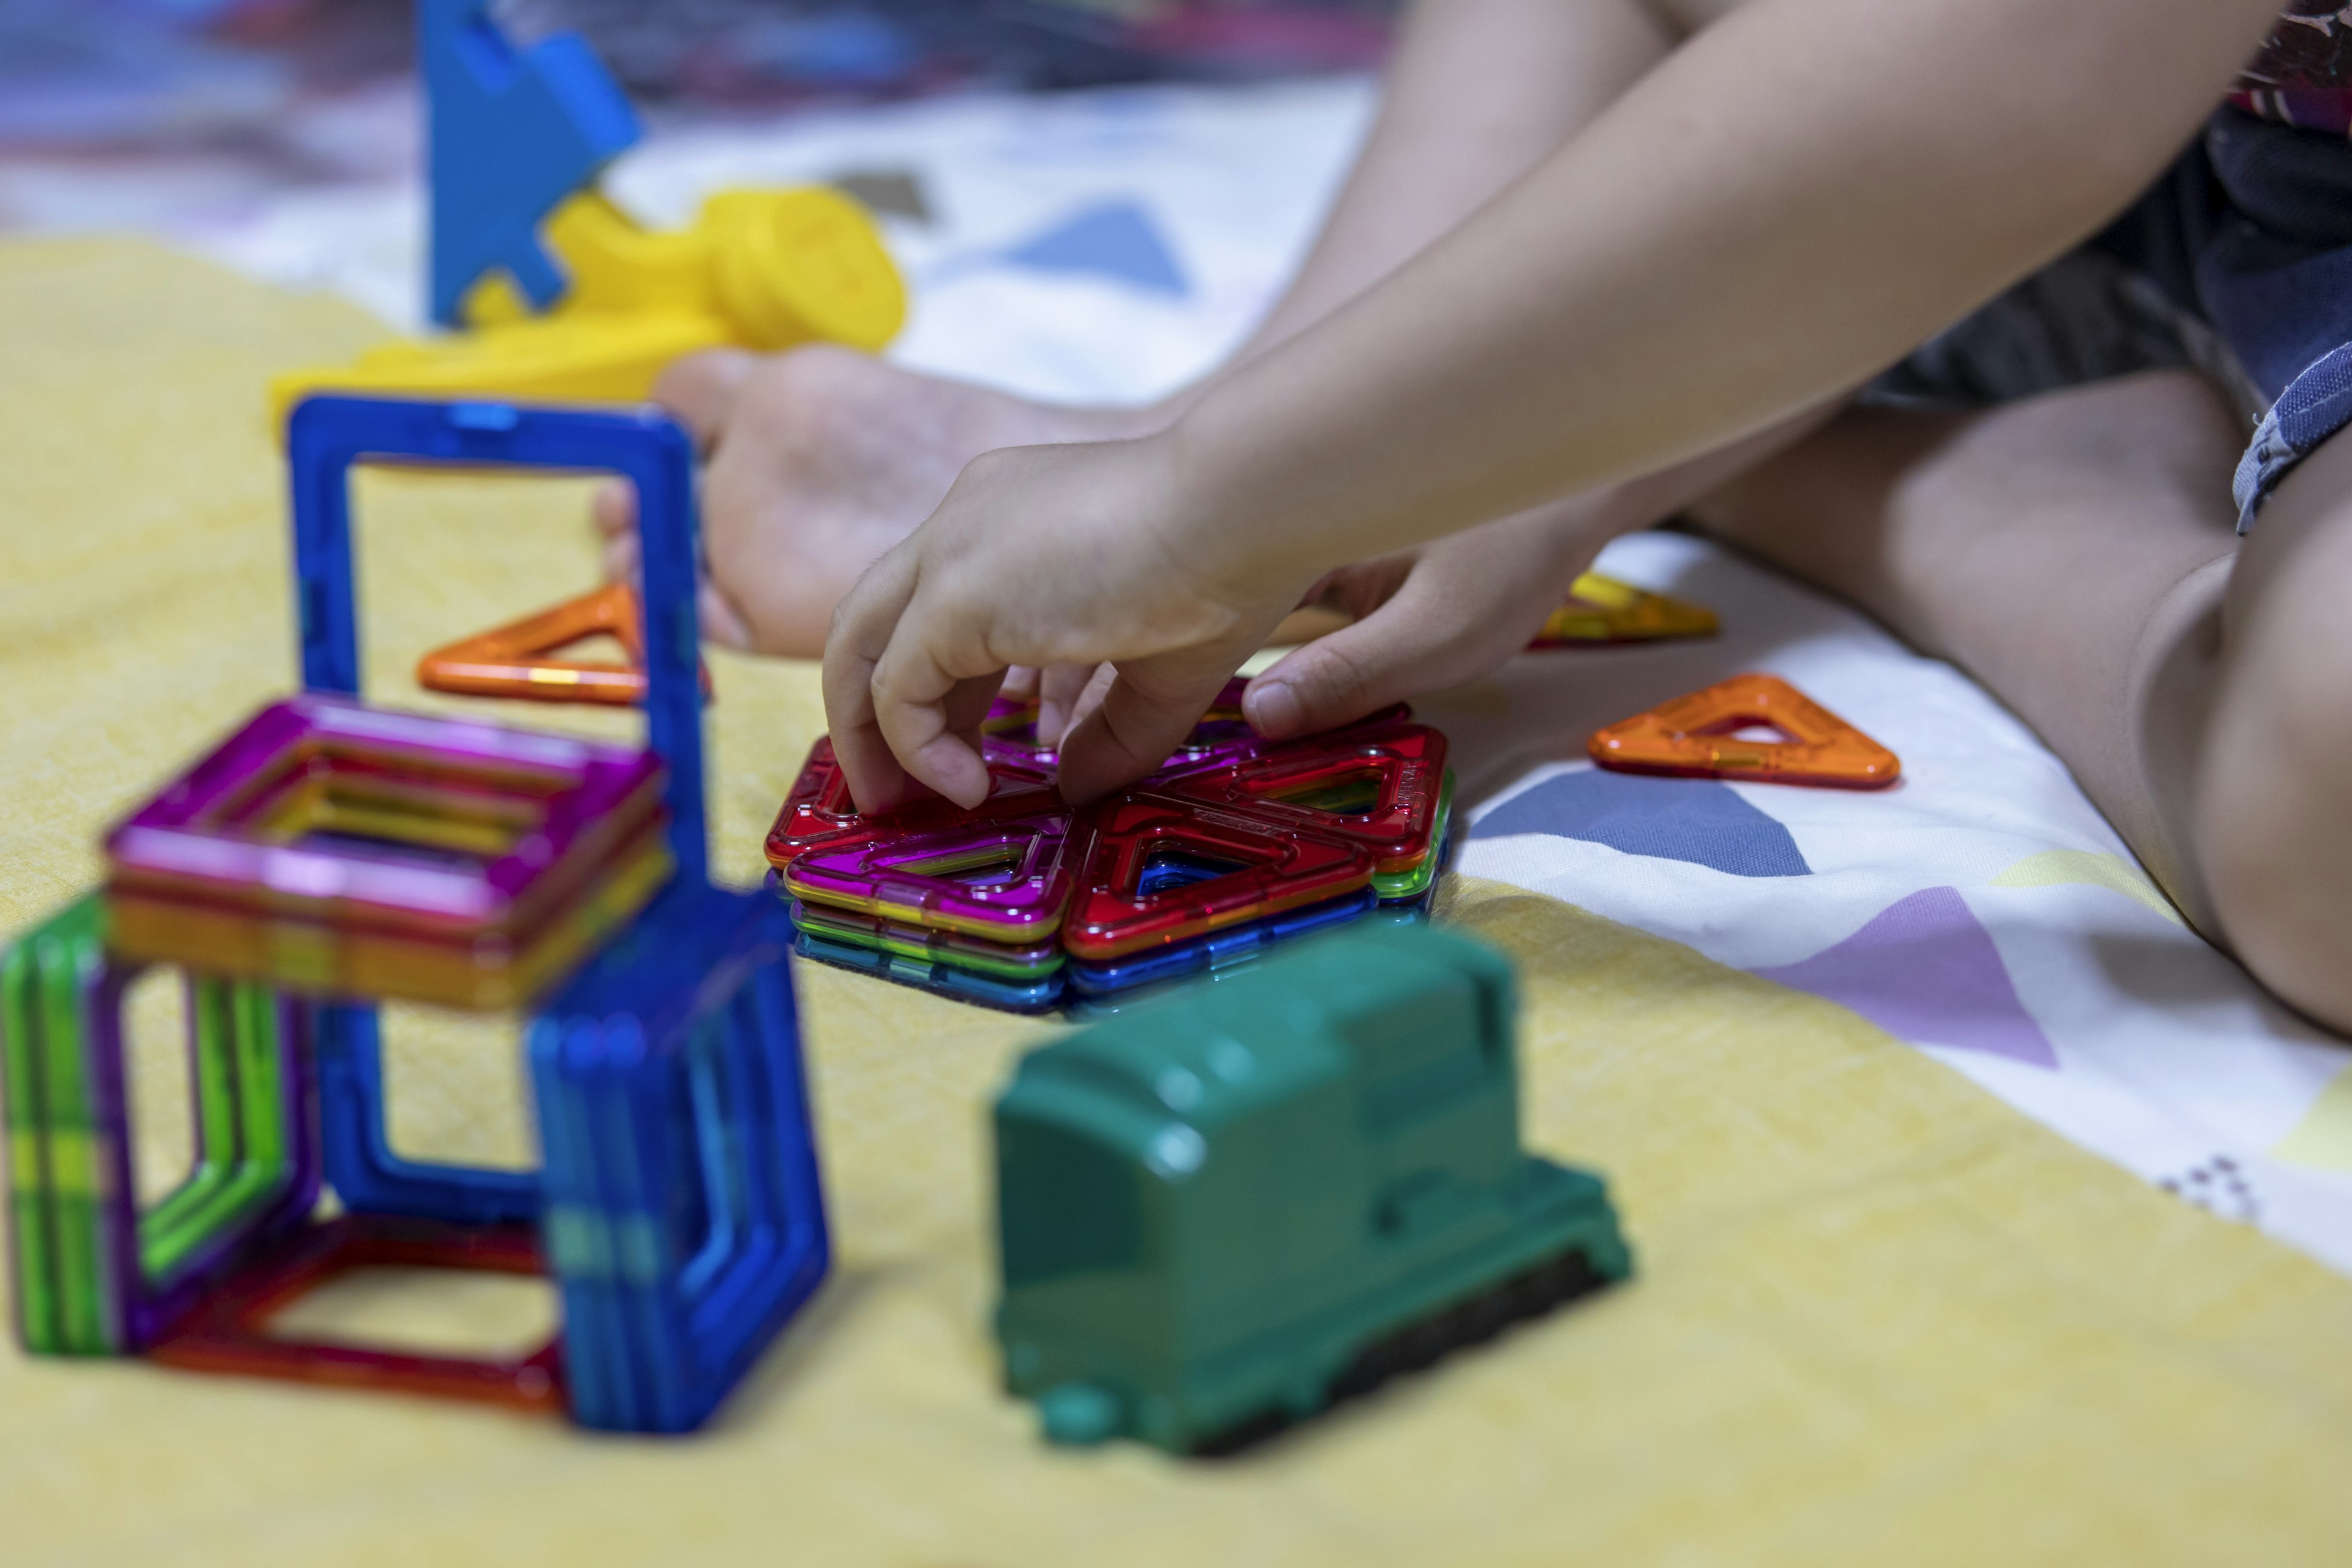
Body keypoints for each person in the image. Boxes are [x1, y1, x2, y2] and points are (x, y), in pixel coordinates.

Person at [604, 0, 2352, 1032]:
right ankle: (1356, 416)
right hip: (2105, 144)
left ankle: (1935, 491)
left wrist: (1211, 513)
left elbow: (2022, 68)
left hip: (2031, 145)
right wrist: (1230, 468)